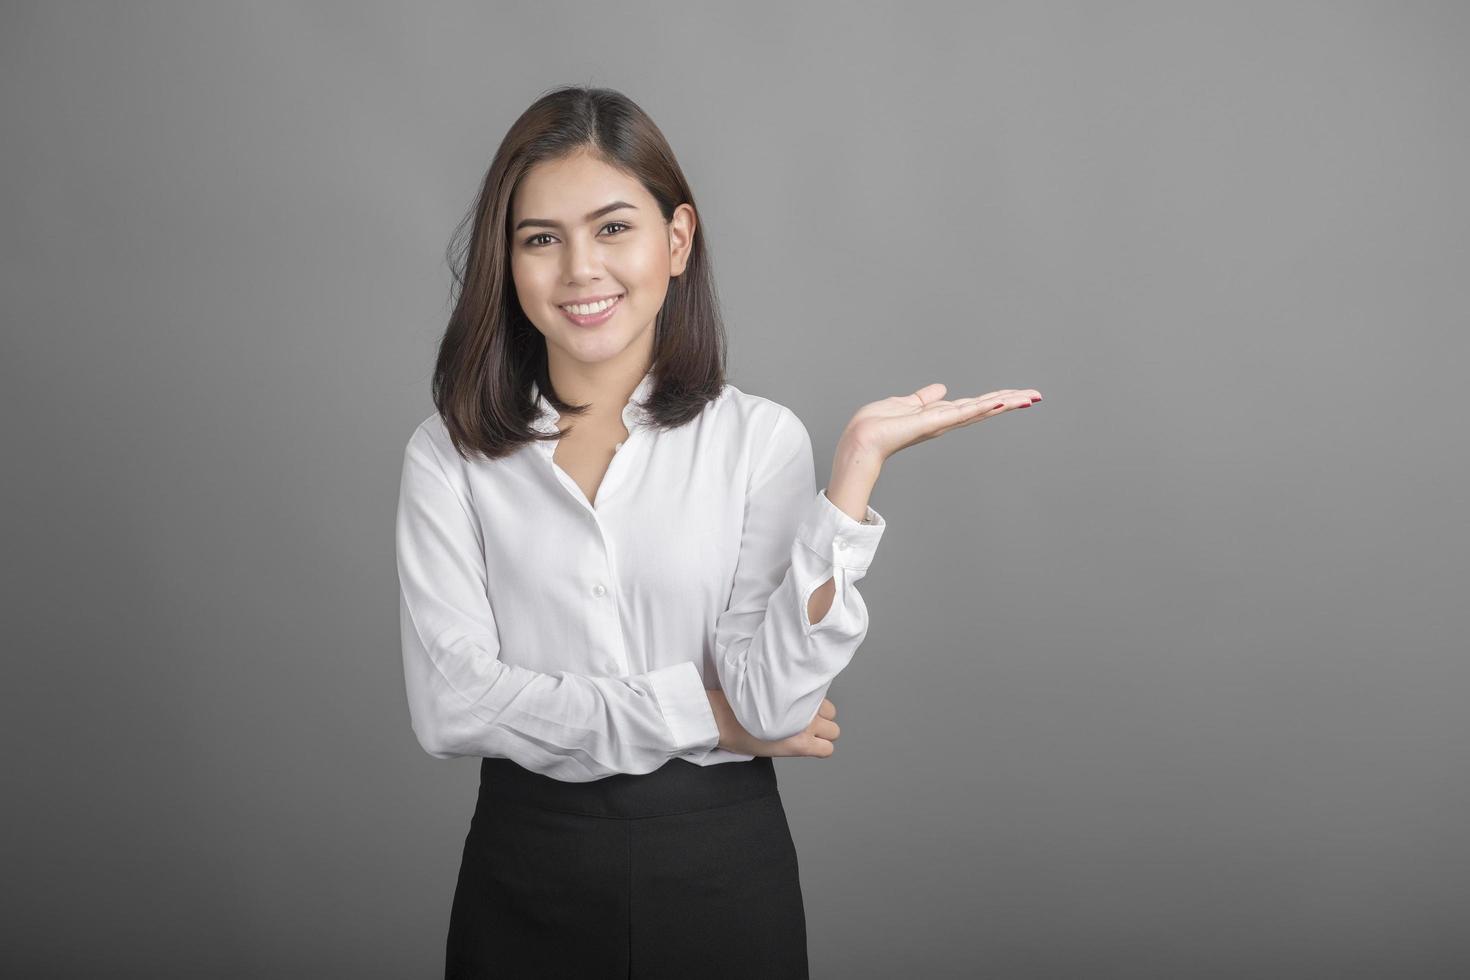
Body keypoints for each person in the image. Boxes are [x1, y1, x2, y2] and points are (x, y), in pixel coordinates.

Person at [394, 84, 1041, 980]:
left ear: (678, 239)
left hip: (719, 876)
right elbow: (450, 707)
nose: (581, 268)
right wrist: (706, 714)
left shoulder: (759, 441)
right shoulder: (450, 455)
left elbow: (771, 704)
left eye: (614, 227)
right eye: (542, 238)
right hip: (523, 875)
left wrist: (850, 476)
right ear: (509, 263)